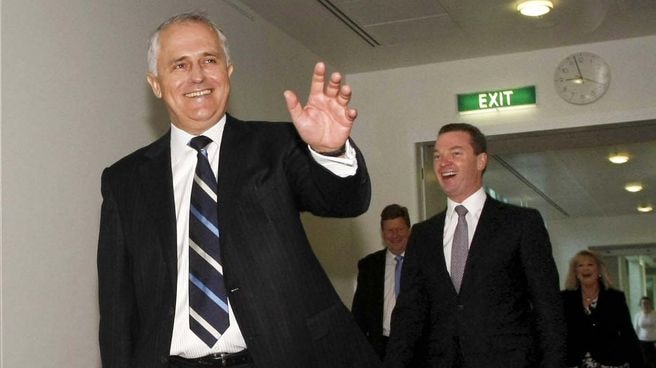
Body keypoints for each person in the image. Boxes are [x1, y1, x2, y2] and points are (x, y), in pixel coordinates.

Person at [97, 11, 381, 368]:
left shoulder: (278, 147)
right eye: (179, 65)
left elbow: (344, 200)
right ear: (156, 83)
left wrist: (329, 151)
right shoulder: (125, 181)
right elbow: (117, 311)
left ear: (228, 71)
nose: (197, 75)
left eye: (209, 60)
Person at [383, 123, 566, 368]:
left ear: (481, 161)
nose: (443, 162)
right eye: (438, 155)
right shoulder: (423, 235)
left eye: (455, 153)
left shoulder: (520, 223)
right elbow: (408, 315)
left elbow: (548, 308)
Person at [562, 250, 644, 368]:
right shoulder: (565, 298)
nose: (585, 269)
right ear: (575, 272)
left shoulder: (615, 298)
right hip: (575, 361)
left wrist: (639, 363)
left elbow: (627, 333)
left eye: (590, 264)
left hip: (610, 361)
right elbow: (559, 333)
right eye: (580, 265)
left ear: (599, 270)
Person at [352, 204, 411, 359]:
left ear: (409, 230)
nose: (395, 235)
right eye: (390, 230)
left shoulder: (422, 262)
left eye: (400, 229)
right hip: (381, 349)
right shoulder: (369, 266)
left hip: (416, 349)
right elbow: (359, 314)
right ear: (383, 234)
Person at [635, 296, 656, 368]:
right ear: (640, 305)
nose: (645, 305)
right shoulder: (638, 315)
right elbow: (636, 329)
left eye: (647, 303)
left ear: (650, 304)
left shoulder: (655, 314)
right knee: (644, 362)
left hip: (654, 342)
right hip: (642, 342)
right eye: (643, 303)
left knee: (654, 361)